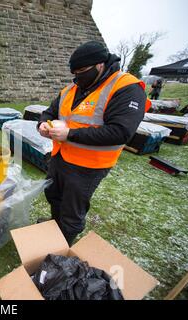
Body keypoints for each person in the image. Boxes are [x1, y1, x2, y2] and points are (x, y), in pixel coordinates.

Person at [37, 41, 151, 245]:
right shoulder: (72, 88)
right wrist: (42, 126)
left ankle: (61, 246)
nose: (78, 76)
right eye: (75, 72)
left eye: (82, 71)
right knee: (53, 195)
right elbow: (49, 112)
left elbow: (120, 132)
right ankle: (55, 225)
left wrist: (69, 133)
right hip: (60, 157)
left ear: (100, 65)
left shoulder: (127, 88)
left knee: (73, 210)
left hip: (89, 166)